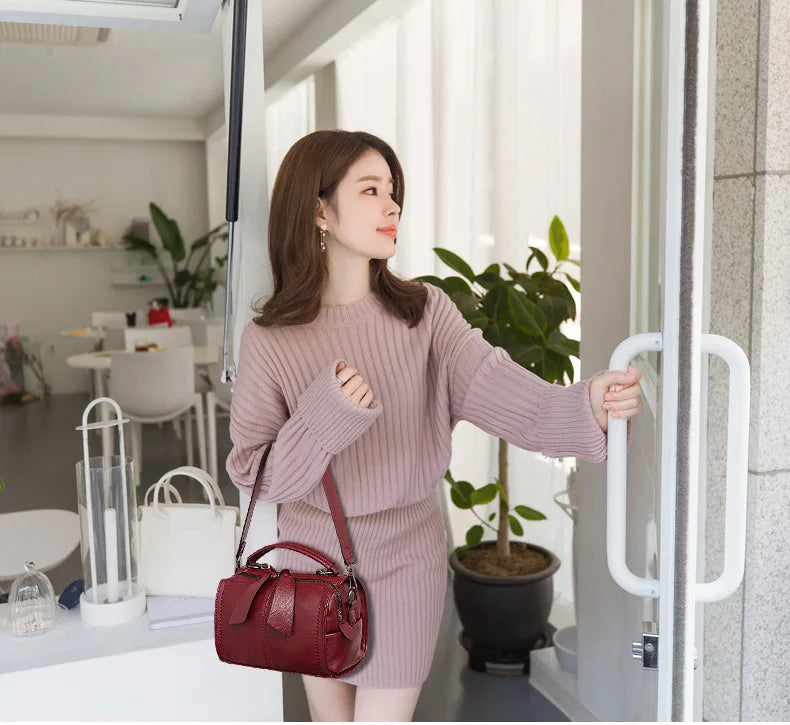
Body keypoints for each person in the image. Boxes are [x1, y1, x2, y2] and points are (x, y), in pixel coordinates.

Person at [226, 129, 642, 722]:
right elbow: (255, 472)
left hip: (406, 556)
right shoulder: (269, 340)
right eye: (370, 190)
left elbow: (496, 387)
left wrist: (583, 407)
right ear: (319, 209)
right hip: (311, 562)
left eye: (392, 190)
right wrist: (323, 416)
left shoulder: (424, 312)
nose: (392, 206)